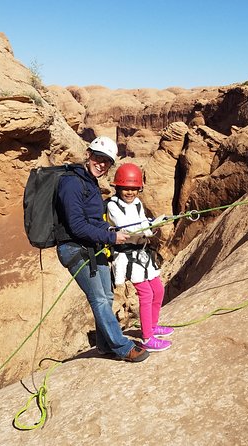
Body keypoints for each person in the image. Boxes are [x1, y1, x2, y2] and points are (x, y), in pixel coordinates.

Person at [55, 137, 149, 362]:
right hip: (74, 248)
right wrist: (110, 236)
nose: (102, 164)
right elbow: (76, 225)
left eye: (107, 161)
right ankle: (122, 347)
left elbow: (94, 219)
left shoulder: (89, 182)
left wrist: (108, 229)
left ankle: (105, 345)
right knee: (98, 298)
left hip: (90, 246)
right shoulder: (72, 183)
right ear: (88, 154)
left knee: (106, 295)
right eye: (98, 158)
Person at [106, 163, 174, 352]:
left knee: (158, 290)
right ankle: (146, 337)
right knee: (146, 293)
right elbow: (127, 227)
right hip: (128, 256)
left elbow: (142, 222)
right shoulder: (112, 206)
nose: (130, 192)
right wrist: (152, 226)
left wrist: (153, 223)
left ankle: (151, 326)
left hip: (142, 253)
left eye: (134, 189)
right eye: (126, 188)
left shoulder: (137, 204)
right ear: (118, 187)